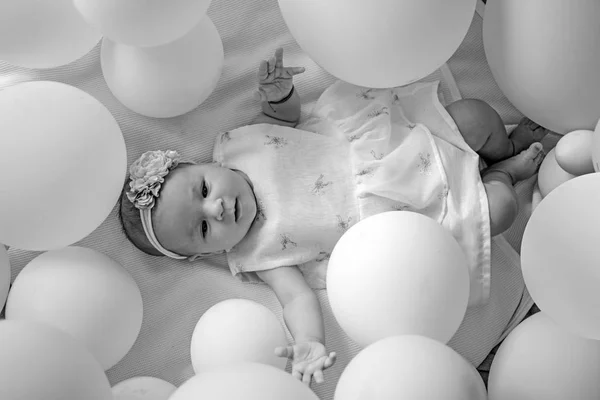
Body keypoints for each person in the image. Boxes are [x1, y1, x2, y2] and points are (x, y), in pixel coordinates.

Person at [119, 47, 550, 387]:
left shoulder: (238, 146)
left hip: (399, 148)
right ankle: (503, 175)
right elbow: (297, 299)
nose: (216, 208)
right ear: (207, 252)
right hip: (404, 219)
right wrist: (309, 342)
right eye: (204, 228)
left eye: (203, 190)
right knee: (501, 209)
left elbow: (283, 122)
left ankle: (505, 150)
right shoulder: (257, 254)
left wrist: (280, 95)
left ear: (206, 166)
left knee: (476, 117)